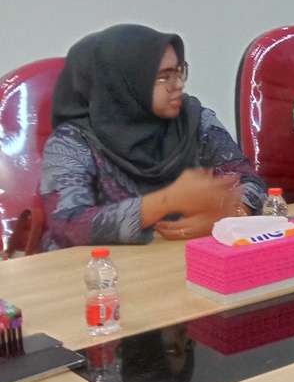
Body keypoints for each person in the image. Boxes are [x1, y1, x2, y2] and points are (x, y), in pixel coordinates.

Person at [39, 24, 264, 250]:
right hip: (96, 266)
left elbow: (249, 180)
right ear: (121, 84)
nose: (179, 84)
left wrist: (231, 214)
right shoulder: (70, 142)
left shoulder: (193, 119)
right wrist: (165, 201)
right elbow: (67, 224)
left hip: (179, 256)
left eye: (179, 70)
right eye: (164, 77)